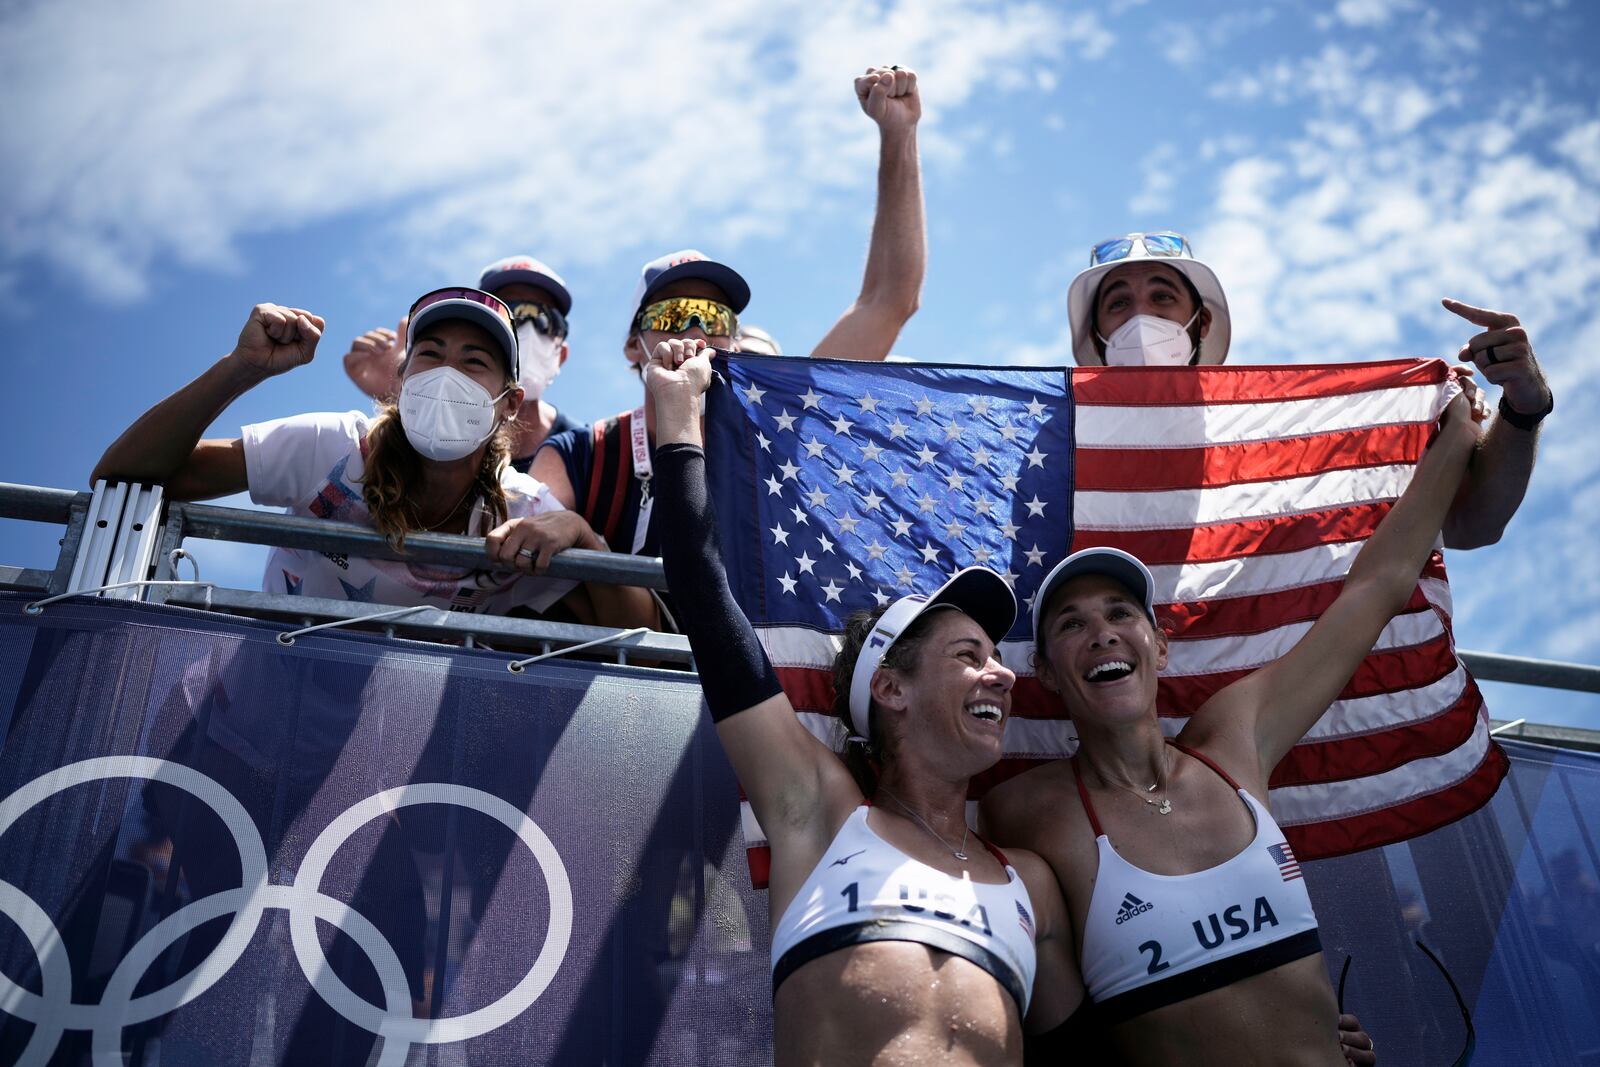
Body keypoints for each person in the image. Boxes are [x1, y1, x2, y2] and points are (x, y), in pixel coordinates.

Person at [980, 388, 1481, 1064]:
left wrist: (1456, 432)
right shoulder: (1026, 809)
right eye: (1072, 624)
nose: (1101, 634)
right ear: (1043, 669)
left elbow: (1379, 585)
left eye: (1121, 613)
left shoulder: (1233, 744)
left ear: (1160, 647)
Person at [646, 334, 1093, 1065]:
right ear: (890, 687)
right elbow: (701, 585)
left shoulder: (1032, 883)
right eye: (968, 656)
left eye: (998, 658)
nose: (1004, 675)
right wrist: (675, 414)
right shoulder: (816, 811)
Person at [533, 64, 927, 560]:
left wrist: (899, 133)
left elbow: (889, 299)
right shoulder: (581, 454)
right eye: (675, 315)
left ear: (734, 343)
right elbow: (520, 540)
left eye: (715, 317)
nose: (697, 331)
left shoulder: (777, 425)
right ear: (635, 345)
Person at [90, 289, 656, 630]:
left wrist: (582, 536)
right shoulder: (328, 446)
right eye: (430, 354)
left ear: (508, 403)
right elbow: (120, 474)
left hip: (381, 766)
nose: (446, 375)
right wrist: (241, 368)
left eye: (474, 361)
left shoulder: (522, 507)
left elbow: (645, 640)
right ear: (401, 379)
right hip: (245, 714)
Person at [1063, 231, 1549, 549]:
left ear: (1201, 321)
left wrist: (1522, 407)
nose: (1141, 317)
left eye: (1162, 296)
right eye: (1119, 302)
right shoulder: (1051, 444)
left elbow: (1472, 523)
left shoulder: (1293, 429)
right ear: (1097, 333)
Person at [342, 254, 578, 472]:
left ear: (562, 355)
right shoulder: (406, 440)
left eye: (546, 319)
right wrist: (401, 396)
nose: (526, 331)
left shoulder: (586, 455)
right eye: (510, 312)